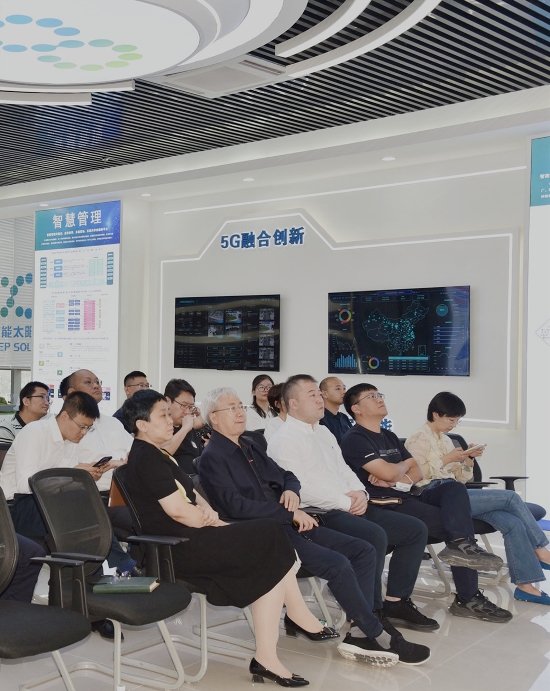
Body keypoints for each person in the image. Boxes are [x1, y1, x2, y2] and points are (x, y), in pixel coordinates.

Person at [199, 386, 431, 667]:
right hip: (263, 534)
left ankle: (363, 628)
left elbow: (286, 475)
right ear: (214, 417)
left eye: (240, 407)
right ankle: (375, 633)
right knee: (338, 564)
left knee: (364, 550)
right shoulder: (213, 457)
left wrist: (291, 491)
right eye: (231, 408)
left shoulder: (249, 445)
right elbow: (235, 507)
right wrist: (290, 514)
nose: (240, 413)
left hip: (289, 522)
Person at [122, 389, 335, 686]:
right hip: (176, 548)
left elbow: (191, 493)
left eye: (170, 414)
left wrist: (210, 513)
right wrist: (210, 520)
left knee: (269, 543)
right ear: (142, 424)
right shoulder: (146, 458)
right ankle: (287, 628)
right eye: (164, 415)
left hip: (194, 535)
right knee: (269, 536)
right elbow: (179, 512)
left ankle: (270, 652)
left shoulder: (158, 453)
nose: (172, 420)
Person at [268, 375, 438, 634]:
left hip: (348, 504)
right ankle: (370, 612)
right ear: (293, 404)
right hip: (321, 512)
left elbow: (344, 469)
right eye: (312, 395)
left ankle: (396, 602)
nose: (320, 399)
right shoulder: (285, 440)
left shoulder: (323, 432)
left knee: (414, 530)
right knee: (374, 535)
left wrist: (361, 493)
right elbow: (301, 489)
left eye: (319, 394)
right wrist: (346, 501)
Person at [341, 383, 513, 623]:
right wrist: (399, 470)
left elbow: (417, 471)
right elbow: (395, 471)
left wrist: (396, 475)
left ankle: (462, 556)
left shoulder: (389, 436)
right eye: (371, 396)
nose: (379, 398)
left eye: (380, 394)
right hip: (381, 503)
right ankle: (465, 595)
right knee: (457, 528)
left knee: (453, 490)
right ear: (356, 408)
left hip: (404, 494)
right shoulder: (355, 438)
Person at [0, 391, 135, 639]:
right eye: (81, 426)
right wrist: (73, 471)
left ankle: (90, 606)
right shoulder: (35, 432)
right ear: (64, 416)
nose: (83, 433)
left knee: (84, 518)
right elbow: (25, 484)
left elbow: (61, 486)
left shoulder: (71, 442)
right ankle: (122, 570)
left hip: (47, 505)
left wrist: (84, 474)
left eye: (88, 429)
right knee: (80, 515)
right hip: (14, 509)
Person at [406, 391, 550, 605]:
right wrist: (447, 459)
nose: (454, 425)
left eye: (457, 421)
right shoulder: (418, 438)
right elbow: (415, 475)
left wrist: (468, 459)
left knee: (512, 522)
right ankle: (541, 550)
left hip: (454, 493)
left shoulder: (446, 440)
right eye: (451, 420)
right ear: (436, 414)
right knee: (510, 498)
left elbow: (462, 478)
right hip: (432, 495)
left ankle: (525, 586)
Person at [162, 378, 208, 475]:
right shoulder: (159, 428)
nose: (187, 411)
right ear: (167, 401)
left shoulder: (188, 427)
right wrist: (185, 429)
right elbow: (162, 455)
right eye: (183, 405)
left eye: (190, 407)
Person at [319, 377, 353, 444]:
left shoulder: (344, 417)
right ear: (325, 394)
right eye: (338, 389)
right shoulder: (319, 418)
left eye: (344, 388)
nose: (344, 392)